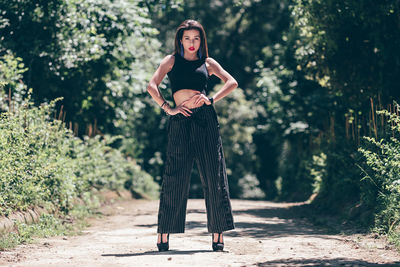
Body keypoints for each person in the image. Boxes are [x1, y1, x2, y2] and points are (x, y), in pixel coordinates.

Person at [146, 19, 238, 252]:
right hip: (180, 120)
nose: (192, 42)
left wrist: (212, 99)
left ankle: (218, 234)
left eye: (196, 38)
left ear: (201, 40)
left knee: (213, 175)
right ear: (180, 39)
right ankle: (163, 233)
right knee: (175, 176)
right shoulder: (171, 60)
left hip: (205, 120)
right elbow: (152, 85)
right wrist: (168, 108)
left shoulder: (207, 63)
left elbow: (232, 82)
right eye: (187, 38)